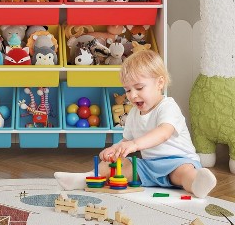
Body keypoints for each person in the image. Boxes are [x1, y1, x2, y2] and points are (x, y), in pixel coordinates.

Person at [54, 50, 217, 198]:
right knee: (118, 165)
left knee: (183, 173)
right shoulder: (133, 113)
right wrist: (115, 149)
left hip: (178, 162)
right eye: (127, 90)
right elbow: (127, 140)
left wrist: (135, 144)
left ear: (160, 83)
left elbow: (164, 132)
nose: (132, 95)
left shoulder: (168, 106)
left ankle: (197, 183)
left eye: (139, 88)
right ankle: (87, 178)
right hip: (148, 166)